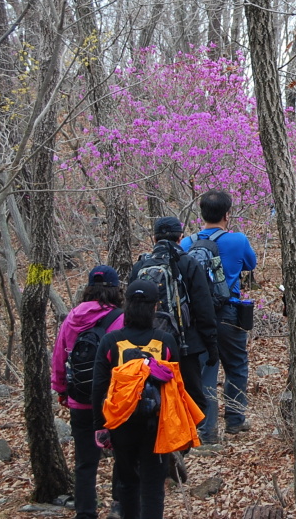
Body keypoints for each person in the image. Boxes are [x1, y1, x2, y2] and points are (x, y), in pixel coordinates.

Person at [91, 280, 182, 519]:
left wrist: (100, 426)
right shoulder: (165, 341)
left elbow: (99, 387)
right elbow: (179, 388)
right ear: (154, 308)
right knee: (153, 486)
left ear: (127, 306)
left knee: (127, 482)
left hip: (121, 424)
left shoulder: (111, 342)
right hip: (156, 424)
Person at [181, 189, 257, 441]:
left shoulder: (186, 243)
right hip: (229, 313)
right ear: (227, 214)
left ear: (201, 213)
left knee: (205, 372)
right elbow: (250, 264)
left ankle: (207, 431)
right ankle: (235, 420)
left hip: (198, 317)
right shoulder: (238, 240)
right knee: (236, 365)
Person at [51, 265, 126, 519]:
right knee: (123, 454)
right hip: (112, 401)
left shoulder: (72, 317)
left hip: (80, 400)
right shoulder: (120, 318)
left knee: (85, 461)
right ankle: (118, 505)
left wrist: (62, 390)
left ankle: (85, 512)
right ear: (115, 289)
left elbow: (59, 356)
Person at [129, 216, 219, 415]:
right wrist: (211, 344)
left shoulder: (140, 266)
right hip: (186, 344)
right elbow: (204, 307)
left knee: (154, 396)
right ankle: (187, 441)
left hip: (148, 344)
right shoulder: (189, 263)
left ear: (154, 238)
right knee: (191, 398)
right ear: (180, 237)